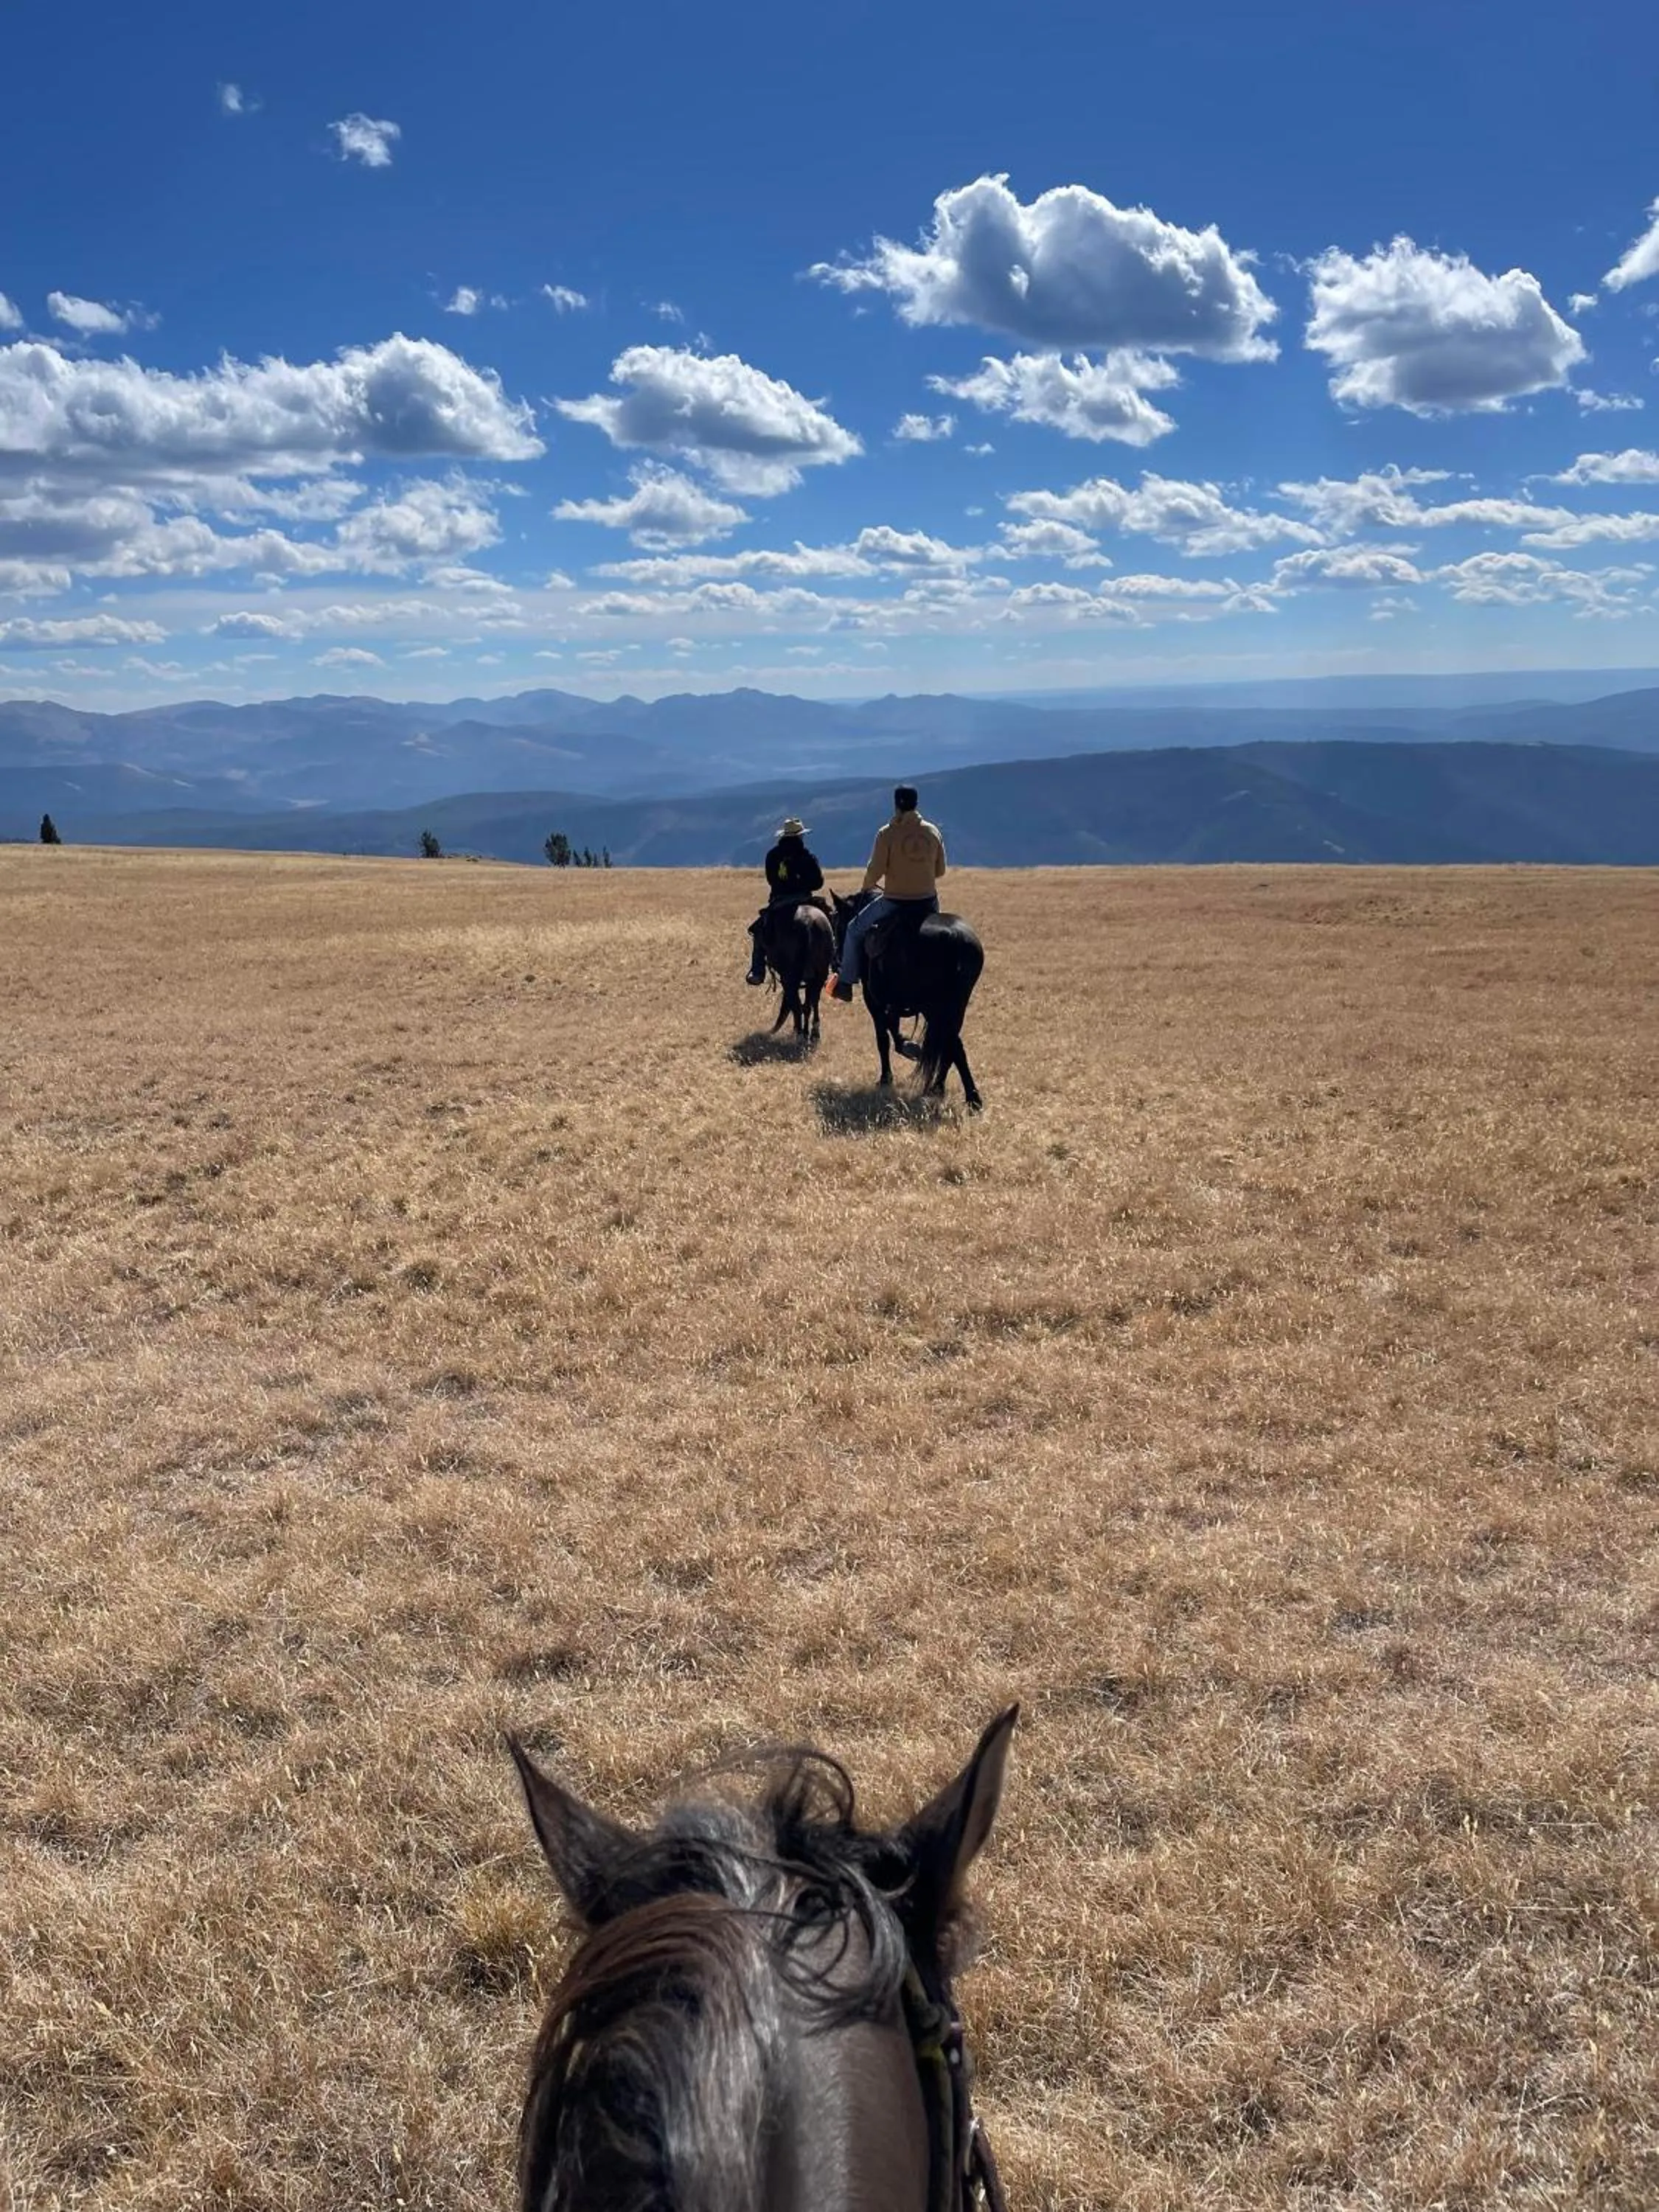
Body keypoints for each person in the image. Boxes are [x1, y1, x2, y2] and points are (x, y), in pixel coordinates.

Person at [830, 785, 945, 1001]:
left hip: (895, 901)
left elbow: (875, 870)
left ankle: (845, 983)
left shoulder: (887, 834)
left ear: (896, 805)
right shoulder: (933, 832)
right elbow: (940, 871)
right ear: (916, 804)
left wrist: (867, 886)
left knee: (854, 929)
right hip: (928, 902)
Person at [747, 816, 826, 984]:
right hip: (805, 899)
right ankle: (835, 962)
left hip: (780, 901)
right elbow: (818, 882)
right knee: (830, 922)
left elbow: (771, 880)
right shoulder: (807, 856)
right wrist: (801, 883)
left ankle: (757, 970)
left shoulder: (773, 856)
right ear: (800, 836)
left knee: (760, 930)